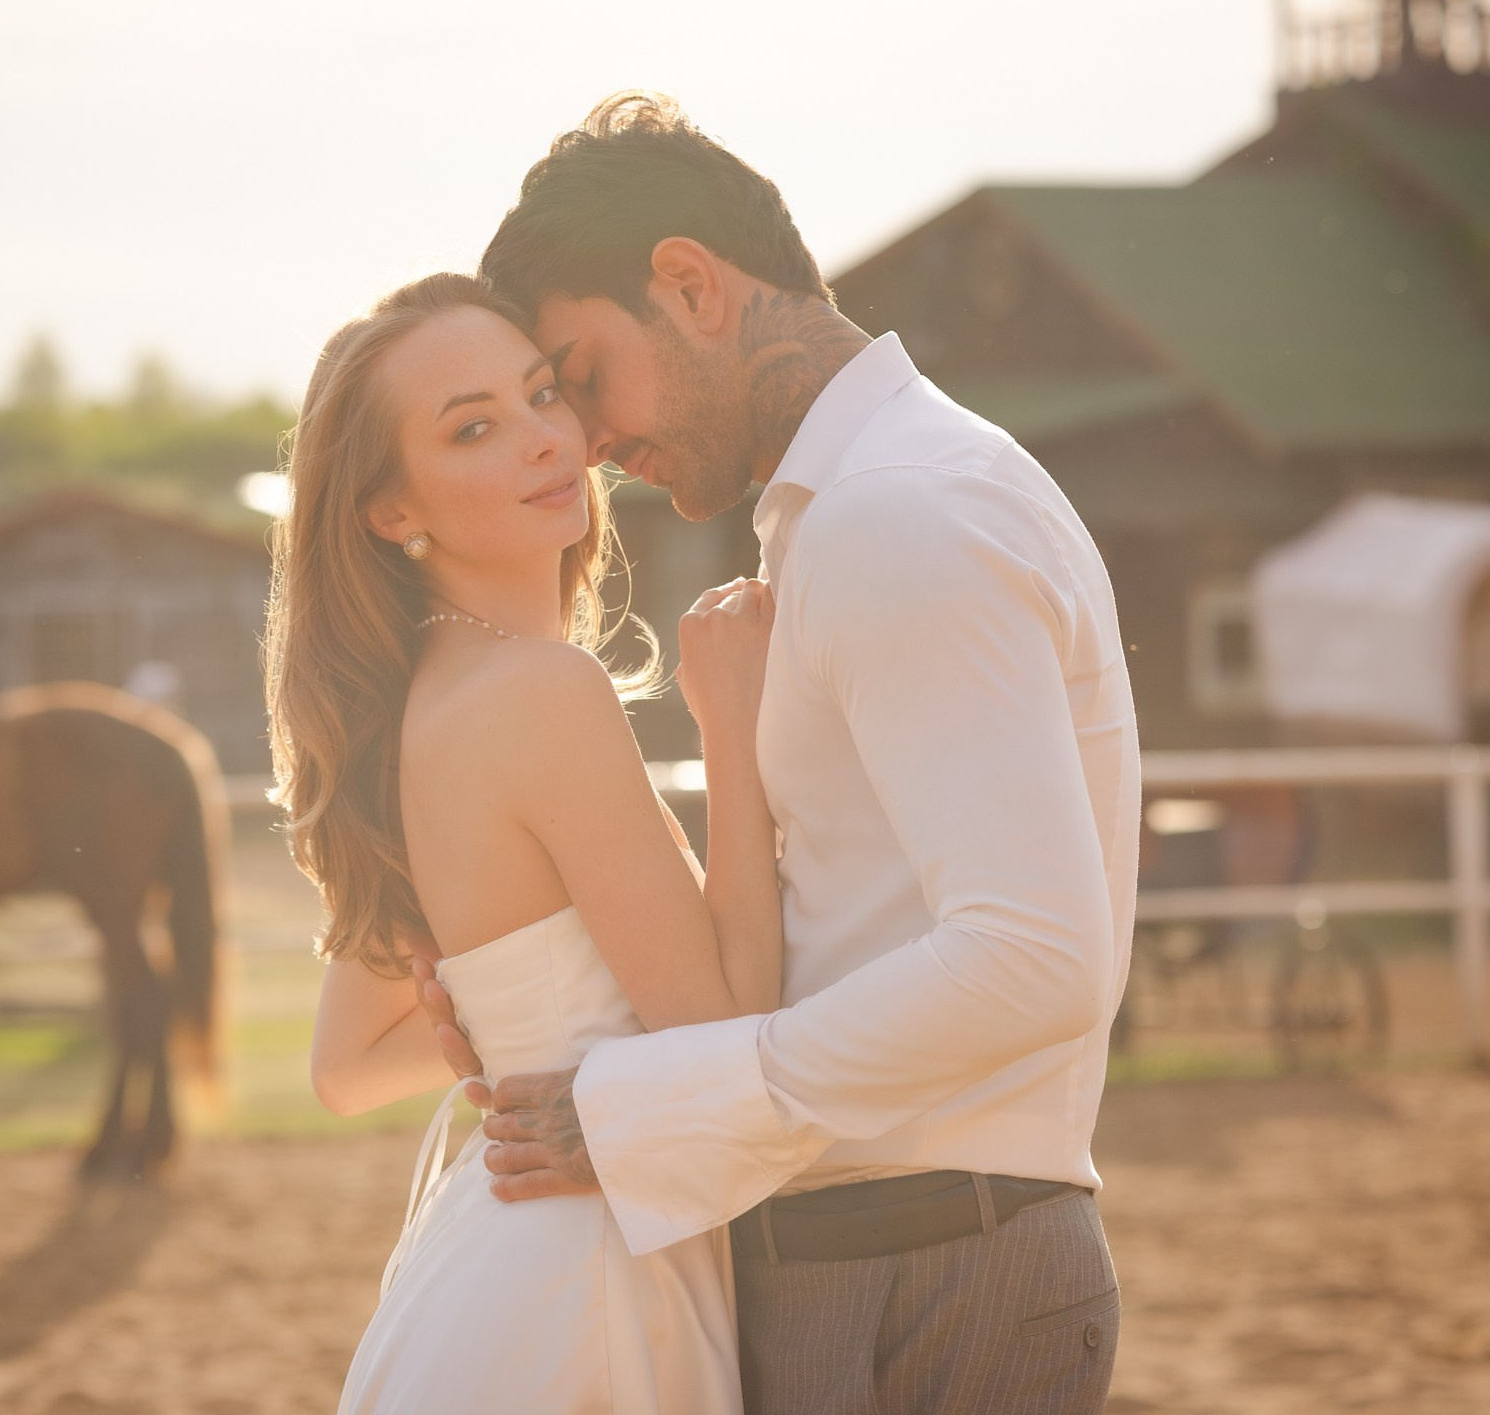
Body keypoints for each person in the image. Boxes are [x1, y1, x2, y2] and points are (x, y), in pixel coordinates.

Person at [417, 93, 1142, 1413]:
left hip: (931, 1274)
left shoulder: (896, 518)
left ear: (689, 284)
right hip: (890, 1255)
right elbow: (855, 913)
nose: (587, 447)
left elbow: (1037, 956)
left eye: (581, 380)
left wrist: (658, 1101)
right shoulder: (863, 510)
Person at [267, 271, 785, 1411]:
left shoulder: (405, 709)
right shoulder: (544, 691)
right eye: (474, 428)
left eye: (543, 395)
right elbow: (725, 1034)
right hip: (585, 1284)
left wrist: (501, 1038)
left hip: (490, 1274)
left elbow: (347, 1068)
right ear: (393, 509)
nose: (546, 440)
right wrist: (735, 737)